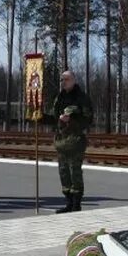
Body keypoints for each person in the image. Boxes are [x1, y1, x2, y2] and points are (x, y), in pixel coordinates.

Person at [52, 70, 93, 213]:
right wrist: (39, 116)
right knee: (63, 172)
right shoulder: (59, 98)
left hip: (75, 141)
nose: (64, 82)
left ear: (74, 80)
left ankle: (76, 204)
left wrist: (71, 120)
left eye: (67, 79)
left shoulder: (81, 98)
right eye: (62, 79)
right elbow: (54, 118)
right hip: (61, 142)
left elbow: (87, 120)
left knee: (74, 172)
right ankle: (68, 202)